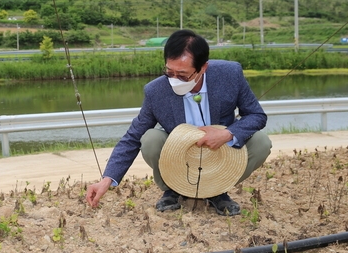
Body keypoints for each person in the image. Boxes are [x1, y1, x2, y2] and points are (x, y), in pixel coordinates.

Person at [85, 29, 271, 215]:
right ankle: (172, 189)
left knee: (261, 142)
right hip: (180, 157)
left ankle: (218, 191)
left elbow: (256, 115)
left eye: (182, 75)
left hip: (221, 153)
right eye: (169, 72)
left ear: (203, 68)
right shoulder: (156, 91)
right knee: (150, 138)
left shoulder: (229, 75)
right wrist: (107, 179)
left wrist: (226, 134)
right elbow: (133, 137)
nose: (174, 80)